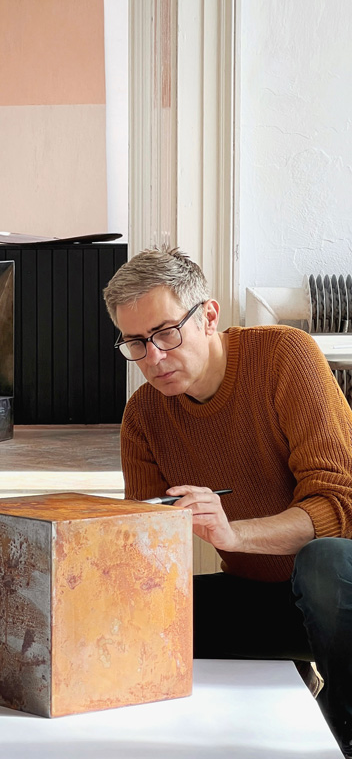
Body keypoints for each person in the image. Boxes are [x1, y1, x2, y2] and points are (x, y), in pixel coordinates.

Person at [103, 247, 352, 758]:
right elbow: (145, 554)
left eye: (165, 333)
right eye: (136, 342)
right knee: (145, 613)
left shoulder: (285, 355)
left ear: (209, 316)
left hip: (340, 584)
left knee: (322, 563)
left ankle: (343, 736)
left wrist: (234, 535)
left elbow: (339, 508)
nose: (153, 358)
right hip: (266, 597)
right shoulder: (143, 416)